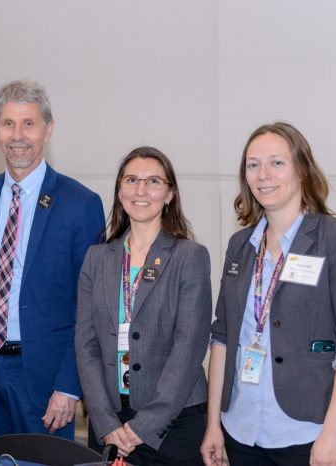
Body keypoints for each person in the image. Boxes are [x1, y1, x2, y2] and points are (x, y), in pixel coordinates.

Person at [200, 122, 336, 466]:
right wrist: (213, 422)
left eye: (276, 162)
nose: (263, 175)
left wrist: (334, 434)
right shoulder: (240, 246)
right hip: (241, 430)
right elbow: (222, 335)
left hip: (311, 432)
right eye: (252, 164)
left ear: (302, 170)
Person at [0, 79, 106, 439]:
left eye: (29, 124)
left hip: (45, 377)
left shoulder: (80, 203)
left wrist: (70, 385)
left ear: (48, 130)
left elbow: (89, 306)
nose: (17, 135)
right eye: (8, 124)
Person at [75, 146, 211, 465]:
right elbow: (85, 344)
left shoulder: (188, 257)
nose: (141, 190)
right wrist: (106, 422)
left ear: (169, 194)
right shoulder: (97, 259)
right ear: (120, 189)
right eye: (132, 179)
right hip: (109, 418)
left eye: (153, 182)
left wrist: (143, 426)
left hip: (173, 422)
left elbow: (188, 348)